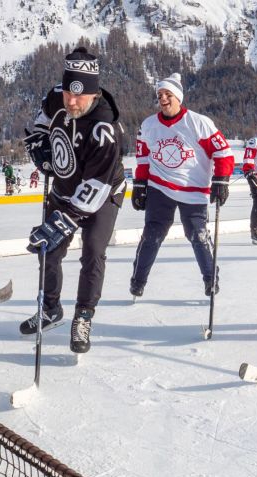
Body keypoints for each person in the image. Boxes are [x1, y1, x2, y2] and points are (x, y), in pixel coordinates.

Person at [20, 47, 126, 354]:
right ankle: (50, 308)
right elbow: (41, 120)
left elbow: (93, 189)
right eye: (68, 93)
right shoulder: (57, 97)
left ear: (94, 94)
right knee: (48, 250)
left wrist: (62, 222)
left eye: (80, 97)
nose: (72, 102)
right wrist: (40, 143)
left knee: (92, 251)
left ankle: (83, 316)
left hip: (102, 193)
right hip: (65, 187)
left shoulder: (105, 129)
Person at [129, 72, 234, 295]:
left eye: (168, 94)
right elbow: (143, 158)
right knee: (152, 235)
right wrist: (139, 185)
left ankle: (210, 279)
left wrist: (221, 179)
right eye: (160, 95)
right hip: (160, 186)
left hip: (194, 190)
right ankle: (138, 281)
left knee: (198, 235)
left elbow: (223, 153)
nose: (163, 99)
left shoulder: (199, 123)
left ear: (179, 97)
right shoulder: (148, 125)